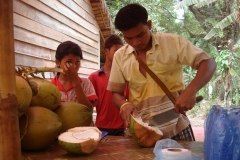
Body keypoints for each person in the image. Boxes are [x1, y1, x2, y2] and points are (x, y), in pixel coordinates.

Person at [107, 3, 217, 141]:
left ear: (149, 25)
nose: (136, 42)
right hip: (141, 132)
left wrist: (191, 90)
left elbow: (208, 62)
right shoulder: (120, 56)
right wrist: (124, 104)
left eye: (140, 35)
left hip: (176, 128)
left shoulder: (172, 42)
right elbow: (116, 94)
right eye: (128, 38)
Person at [89, 34, 128, 136]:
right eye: (116, 50)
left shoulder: (126, 77)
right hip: (101, 127)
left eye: (122, 51)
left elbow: (130, 100)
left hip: (122, 128)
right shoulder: (94, 77)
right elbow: (89, 106)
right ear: (106, 51)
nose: (120, 54)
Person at [51, 41, 98, 112]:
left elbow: (88, 111)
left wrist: (75, 83)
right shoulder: (51, 86)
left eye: (77, 62)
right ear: (58, 62)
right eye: (69, 62)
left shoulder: (86, 83)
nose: (74, 66)